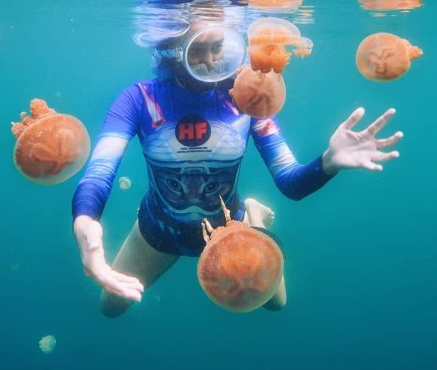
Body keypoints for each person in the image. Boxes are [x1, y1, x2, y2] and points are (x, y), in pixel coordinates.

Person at [72, 17, 403, 317]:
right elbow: (100, 170)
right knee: (110, 307)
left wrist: (328, 164)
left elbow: (291, 182)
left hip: (230, 226)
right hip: (159, 228)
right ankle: (245, 215)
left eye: (216, 47)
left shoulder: (247, 97)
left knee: (276, 303)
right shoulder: (138, 99)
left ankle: (252, 214)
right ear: (171, 51)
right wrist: (86, 220)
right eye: (197, 50)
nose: (211, 62)